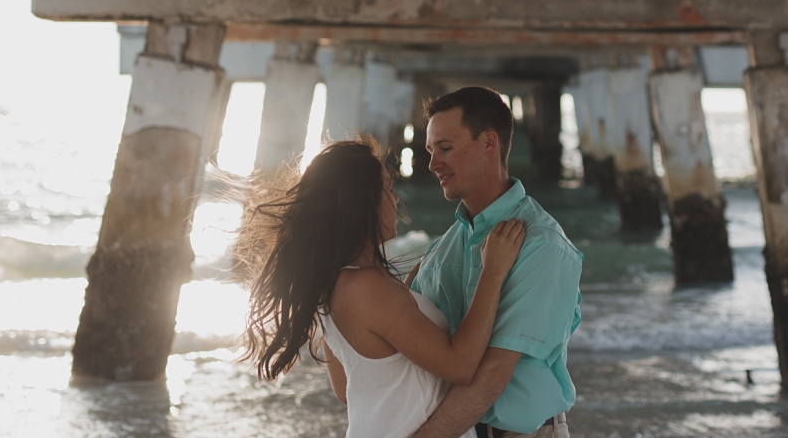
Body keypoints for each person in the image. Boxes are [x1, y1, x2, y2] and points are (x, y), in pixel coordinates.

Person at [237, 139, 527, 438]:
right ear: (363, 202)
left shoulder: (332, 285)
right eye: (388, 188)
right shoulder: (365, 287)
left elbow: (348, 389)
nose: (396, 199)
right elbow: (461, 366)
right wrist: (492, 272)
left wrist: (408, 292)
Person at [409, 87, 584, 438]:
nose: (432, 164)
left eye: (445, 148)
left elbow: (493, 375)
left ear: (489, 143)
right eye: (430, 151)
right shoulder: (441, 248)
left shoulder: (542, 245)